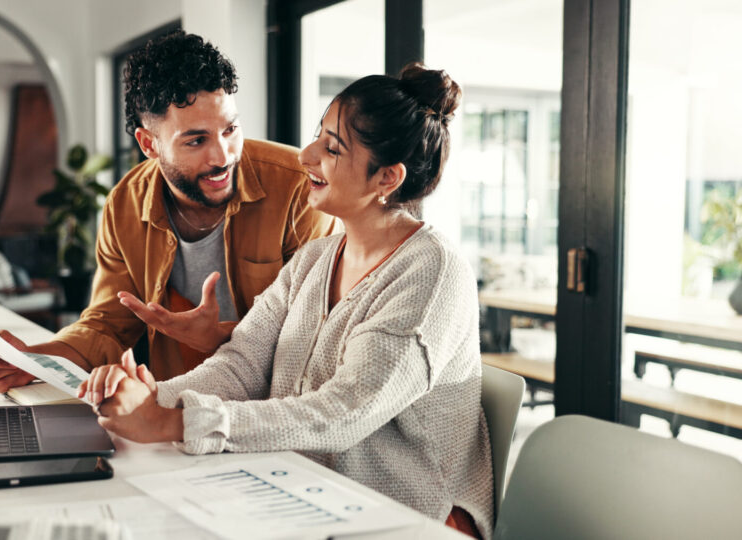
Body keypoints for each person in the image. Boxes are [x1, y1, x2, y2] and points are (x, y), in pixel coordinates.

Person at [78, 65, 494, 538]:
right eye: (318, 135)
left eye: (332, 148)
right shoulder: (315, 259)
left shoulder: (431, 273)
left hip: (411, 516)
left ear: (386, 178)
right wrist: (147, 400)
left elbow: (343, 412)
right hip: (309, 490)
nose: (306, 155)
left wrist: (176, 423)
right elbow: (242, 364)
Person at [0, 31, 333, 391]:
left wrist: (222, 338)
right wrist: (34, 359)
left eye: (230, 129)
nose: (223, 156)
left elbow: (311, 335)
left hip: (274, 409)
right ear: (149, 144)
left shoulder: (298, 187)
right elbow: (107, 325)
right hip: (176, 408)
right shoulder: (125, 205)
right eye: (196, 140)